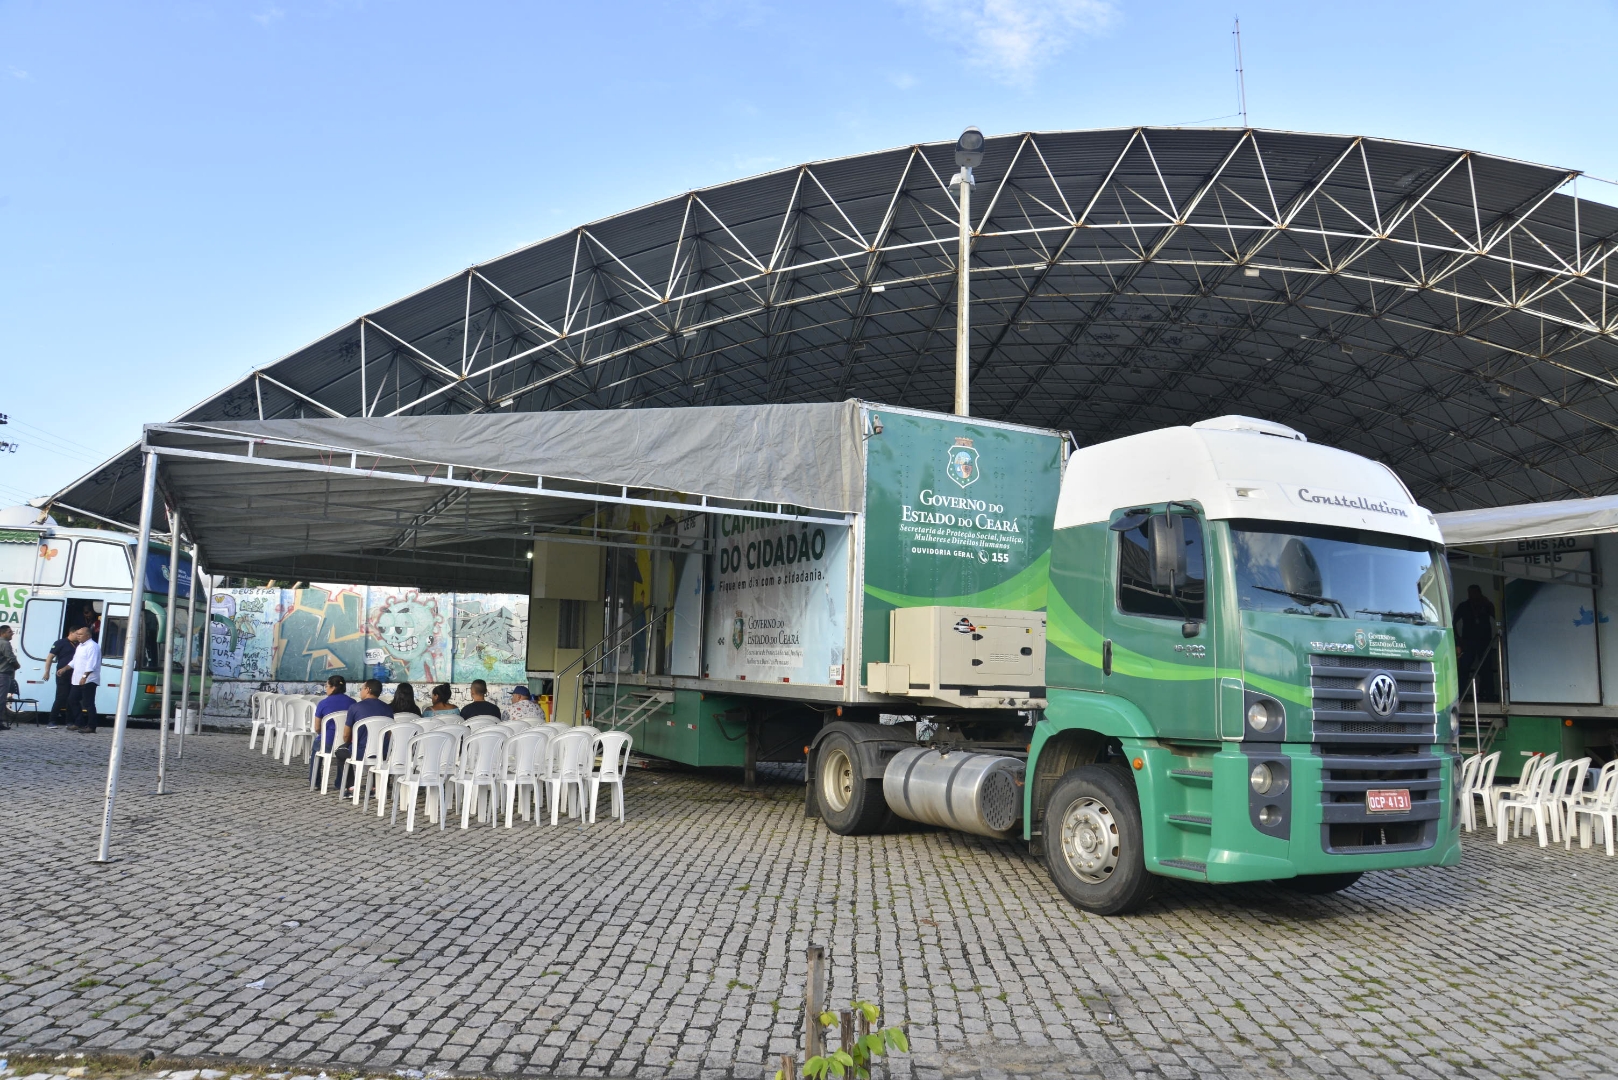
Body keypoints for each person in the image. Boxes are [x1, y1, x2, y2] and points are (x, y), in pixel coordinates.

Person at [330, 678, 394, 797]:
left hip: (360, 752)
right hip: (383, 753)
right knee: (377, 752)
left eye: (361, 689)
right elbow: (389, 734)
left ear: (368, 690)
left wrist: (348, 742)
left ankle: (351, 787)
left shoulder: (355, 707)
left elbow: (346, 735)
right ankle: (375, 787)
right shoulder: (388, 708)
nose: (360, 691)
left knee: (340, 752)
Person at [309, 675, 356, 786]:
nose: (326, 688)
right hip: (346, 742)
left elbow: (317, 728)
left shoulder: (323, 703)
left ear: (333, 687)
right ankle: (341, 782)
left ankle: (315, 782)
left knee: (316, 750)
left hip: (328, 741)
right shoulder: (353, 702)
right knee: (343, 755)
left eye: (327, 686)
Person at [1454, 584, 1499, 701]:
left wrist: (1489, 604)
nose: (1472, 596)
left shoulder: (1485, 605)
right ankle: (1459, 695)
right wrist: (1458, 639)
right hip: (1468, 642)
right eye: (1470, 593)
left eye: (1474, 593)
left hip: (1484, 642)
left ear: (1480, 593)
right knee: (1464, 669)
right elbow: (1453, 622)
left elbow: (1498, 618)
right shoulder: (1464, 606)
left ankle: (1488, 695)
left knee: (1486, 670)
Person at [67, 626, 102, 733]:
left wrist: (84, 677)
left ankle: (91, 726)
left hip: (89, 679)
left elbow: (92, 664)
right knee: (72, 699)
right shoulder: (80, 646)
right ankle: (79, 722)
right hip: (77, 679)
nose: (78, 636)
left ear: (88, 635)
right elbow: (75, 661)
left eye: (80, 634)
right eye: (77, 634)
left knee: (88, 703)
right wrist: (64, 668)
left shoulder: (93, 646)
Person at [43, 630, 77, 726]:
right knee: (61, 697)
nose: (78, 636)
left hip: (74, 674)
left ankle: (69, 721)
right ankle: (52, 720)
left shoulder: (78, 644)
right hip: (62, 674)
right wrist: (47, 672)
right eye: (77, 634)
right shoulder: (60, 643)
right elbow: (50, 657)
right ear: (71, 633)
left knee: (71, 698)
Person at [0, 626, 18, 729]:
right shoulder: (5, 643)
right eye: (9, 632)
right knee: (1, 699)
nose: (12, 633)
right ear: (3, 633)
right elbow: (10, 658)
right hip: (3, 674)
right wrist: (17, 665)